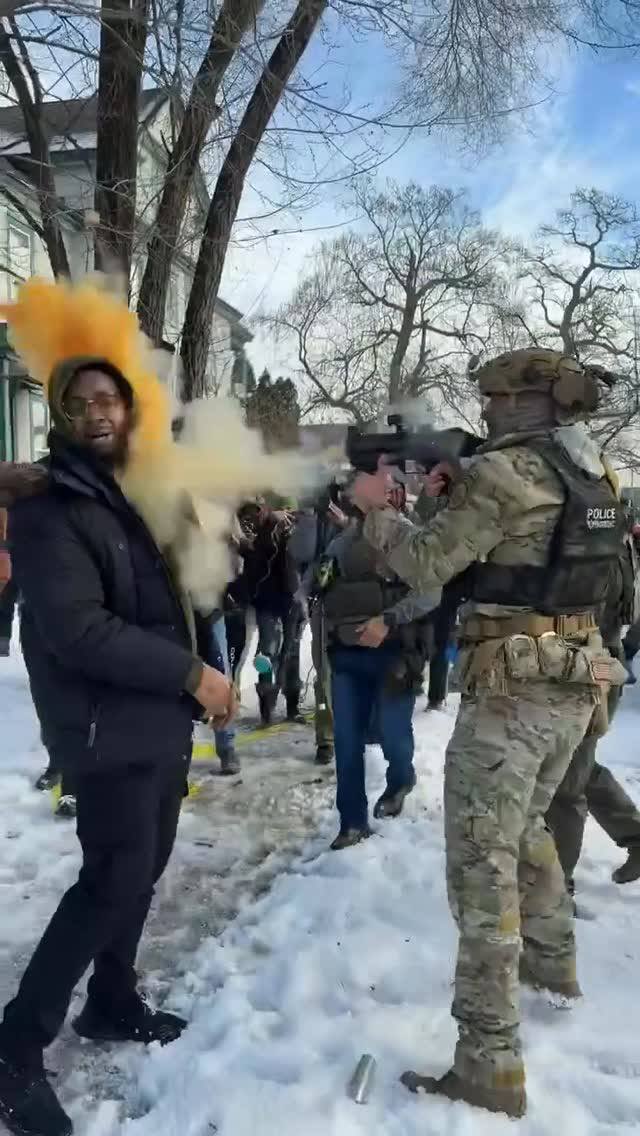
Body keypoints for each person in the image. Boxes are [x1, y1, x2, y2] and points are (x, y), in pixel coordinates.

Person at [351, 348, 626, 1119]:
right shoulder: (596, 472)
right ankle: (553, 966)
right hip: (574, 683)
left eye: (495, 399)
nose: (486, 410)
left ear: (529, 401)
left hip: (513, 693)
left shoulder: (504, 473)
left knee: (481, 869)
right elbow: (519, 558)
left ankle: (488, 1064)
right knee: (528, 831)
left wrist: (376, 510)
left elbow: (424, 564)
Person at [0, 356, 233, 1136]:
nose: (97, 412)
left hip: (157, 720)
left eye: (110, 399)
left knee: (144, 868)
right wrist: (193, 675)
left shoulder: (133, 492)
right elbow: (80, 630)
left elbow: (181, 598)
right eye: (80, 403)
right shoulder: (47, 507)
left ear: (130, 410)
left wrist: (206, 677)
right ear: (62, 417)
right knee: (111, 879)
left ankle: (111, 999)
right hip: (102, 728)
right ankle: (15, 1049)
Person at [320, 481, 440, 850]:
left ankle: (401, 779)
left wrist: (387, 620)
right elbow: (320, 591)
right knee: (346, 742)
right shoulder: (340, 543)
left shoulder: (408, 537)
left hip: (394, 654)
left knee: (392, 733)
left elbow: (430, 593)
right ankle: (352, 822)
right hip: (347, 655)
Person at [547, 524, 640, 891]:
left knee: (567, 781)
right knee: (578, 767)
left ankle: (556, 886)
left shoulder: (596, 547)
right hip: (591, 662)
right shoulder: (613, 542)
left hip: (590, 667)